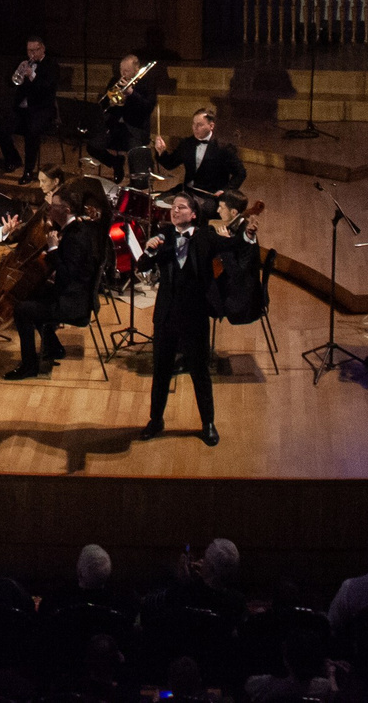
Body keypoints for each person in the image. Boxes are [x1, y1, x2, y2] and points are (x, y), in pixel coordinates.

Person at [136, 189, 232, 445]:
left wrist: (248, 234)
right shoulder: (164, 235)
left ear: (193, 214)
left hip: (194, 316)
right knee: (161, 371)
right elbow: (142, 265)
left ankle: (208, 423)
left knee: (200, 372)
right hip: (166, 316)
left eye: (180, 207)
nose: (175, 211)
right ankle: (156, 420)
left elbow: (230, 246)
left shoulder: (205, 236)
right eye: (173, 207)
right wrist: (151, 251)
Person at [0, 175, 106, 379]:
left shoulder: (75, 238)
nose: (49, 209)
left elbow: (67, 276)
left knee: (22, 310)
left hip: (73, 304)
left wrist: (54, 249)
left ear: (66, 210)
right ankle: (53, 347)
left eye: (54, 206)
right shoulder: (75, 229)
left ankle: (29, 366)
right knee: (33, 293)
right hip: (74, 295)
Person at [88, 52, 159, 178]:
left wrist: (132, 93)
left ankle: (137, 182)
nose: (123, 73)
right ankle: (116, 162)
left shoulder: (147, 83)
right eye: (121, 70)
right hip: (114, 127)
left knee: (135, 154)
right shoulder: (115, 81)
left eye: (126, 71)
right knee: (92, 146)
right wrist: (110, 103)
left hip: (135, 129)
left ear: (136, 70)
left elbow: (148, 107)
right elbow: (103, 105)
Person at [162, 107, 247, 201]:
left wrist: (225, 191)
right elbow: (170, 164)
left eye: (200, 125)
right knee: (158, 200)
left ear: (211, 126)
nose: (195, 128)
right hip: (187, 191)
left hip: (210, 196)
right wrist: (161, 152)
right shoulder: (186, 143)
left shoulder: (224, 148)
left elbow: (240, 173)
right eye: (193, 124)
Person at [4, 35, 57, 179]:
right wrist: (18, 71)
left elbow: (47, 87)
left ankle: (28, 170)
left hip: (41, 110)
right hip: (22, 109)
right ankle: (14, 159)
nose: (32, 54)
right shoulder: (24, 62)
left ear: (43, 48)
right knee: (0, 130)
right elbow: (11, 83)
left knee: (31, 133)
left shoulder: (51, 64)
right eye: (29, 50)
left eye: (35, 50)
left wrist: (32, 74)